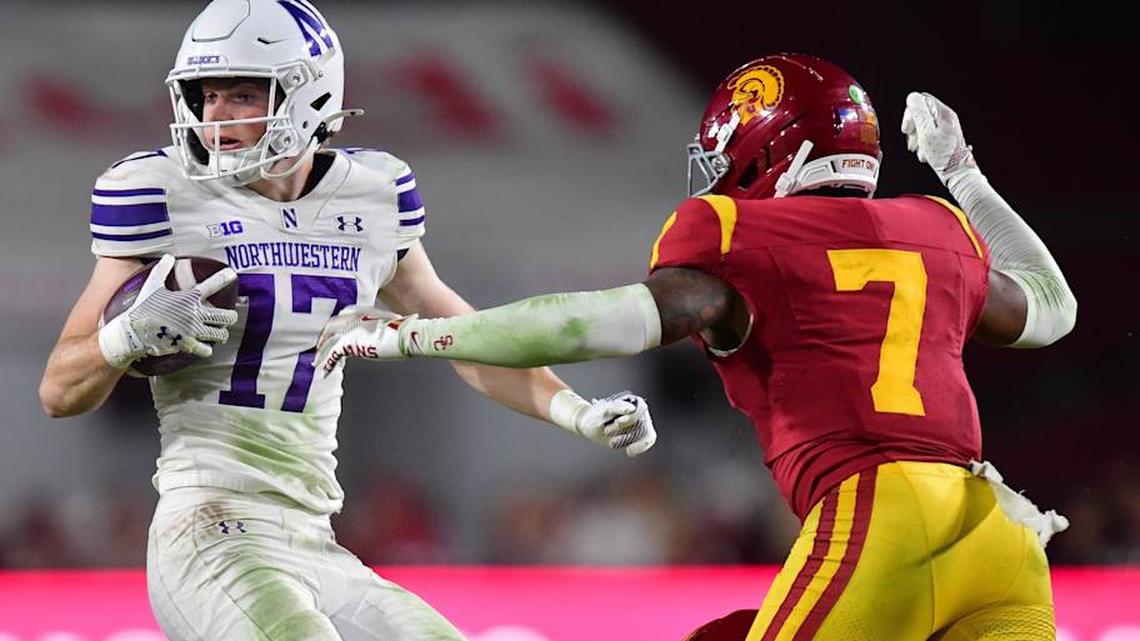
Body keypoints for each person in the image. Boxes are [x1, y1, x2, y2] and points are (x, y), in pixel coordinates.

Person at [317, 54, 1078, 640]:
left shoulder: (743, 235)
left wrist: (405, 335)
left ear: (768, 150)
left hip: (882, 513)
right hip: (1002, 534)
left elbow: (586, 323)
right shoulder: (937, 228)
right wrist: (965, 174)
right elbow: (1053, 307)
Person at [37, 1, 655, 639]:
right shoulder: (157, 191)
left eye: (243, 94)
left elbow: (467, 341)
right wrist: (125, 337)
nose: (214, 117)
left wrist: (574, 412)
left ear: (310, 96)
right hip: (210, 527)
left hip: (313, 539)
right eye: (205, 95)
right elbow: (58, 391)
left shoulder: (373, 194)